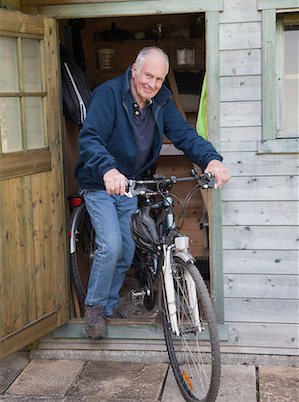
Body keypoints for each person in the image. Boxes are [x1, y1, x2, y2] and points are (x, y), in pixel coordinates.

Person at [75, 46, 230, 339]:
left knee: (127, 248)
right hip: (100, 181)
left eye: (159, 79)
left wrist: (211, 159)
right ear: (134, 69)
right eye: (148, 75)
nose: (153, 84)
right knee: (110, 245)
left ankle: (108, 306)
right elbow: (90, 139)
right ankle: (94, 308)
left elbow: (184, 135)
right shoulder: (108, 95)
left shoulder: (160, 100)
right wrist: (108, 170)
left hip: (131, 183)